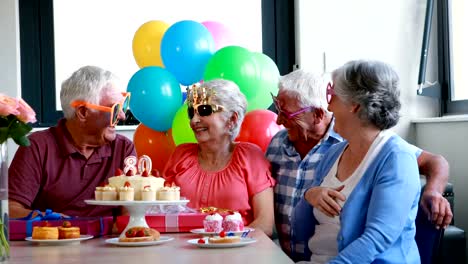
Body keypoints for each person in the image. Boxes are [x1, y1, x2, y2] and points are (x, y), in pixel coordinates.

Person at [266, 69, 451, 261]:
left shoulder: (384, 150)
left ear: (318, 115)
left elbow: (435, 162)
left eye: (286, 114)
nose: (278, 121)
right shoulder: (282, 144)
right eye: (278, 109)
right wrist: (309, 195)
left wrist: (433, 191)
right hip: (291, 256)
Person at [293, 60, 423, 263]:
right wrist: (309, 195)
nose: (328, 106)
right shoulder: (333, 153)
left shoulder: (397, 159)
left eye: (331, 95)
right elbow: (300, 229)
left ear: (354, 104)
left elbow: (377, 238)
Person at [9, 65, 135, 218]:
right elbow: (11, 209)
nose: (122, 116)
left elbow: (131, 211)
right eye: (115, 109)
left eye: (123, 106)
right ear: (83, 112)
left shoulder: (122, 148)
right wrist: (53, 221)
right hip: (55, 239)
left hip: (108, 239)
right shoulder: (37, 147)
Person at [163, 79, 275, 236]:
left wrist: (225, 241)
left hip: (237, 254)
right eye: (191, 112)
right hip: (183, 253)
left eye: (204, 110)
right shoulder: (181, 155)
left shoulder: (250, 157)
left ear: (232, 119)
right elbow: (159, 212)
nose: (193, 120)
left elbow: (265, 224)